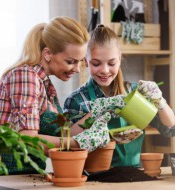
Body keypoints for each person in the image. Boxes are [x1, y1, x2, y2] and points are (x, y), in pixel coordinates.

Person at [0, 16, 112, 174]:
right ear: (48, 54)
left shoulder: (44, 84)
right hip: (9, 175)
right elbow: (28, 141)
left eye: (80, 61)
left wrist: (98, 112)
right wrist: (77, 143)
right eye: (70, 61)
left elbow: (63, 134)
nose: (77, 69)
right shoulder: (25, 76)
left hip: (29, 174)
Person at [64, 24, 175, 167]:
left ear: (120, 59)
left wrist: (161, 102)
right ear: (86, 61)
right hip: (94, 178)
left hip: (133, 176)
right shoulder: (77, 100)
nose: (104, 70)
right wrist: (96, 112)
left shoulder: (135, 93)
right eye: (96, 64)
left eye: (111, 63)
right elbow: (65, 142)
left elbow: (170, 130)